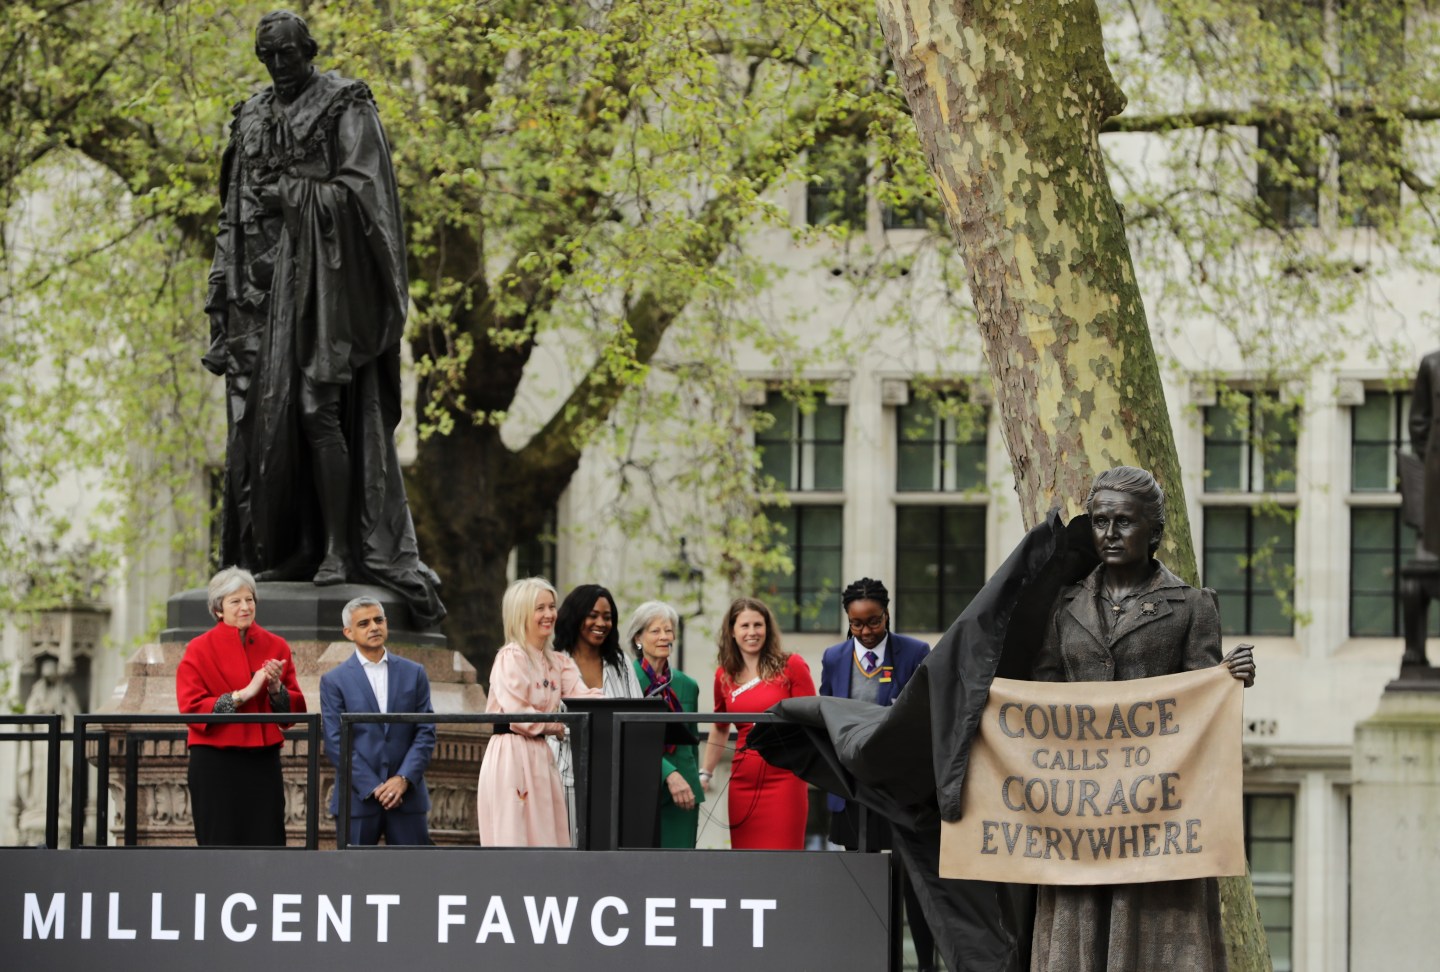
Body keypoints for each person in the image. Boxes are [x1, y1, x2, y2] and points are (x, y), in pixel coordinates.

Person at [204, 10, 442, 625]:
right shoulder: (250, 114)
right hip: (259, 295)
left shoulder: (344, 104)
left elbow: (366, 194)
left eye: (288, 54)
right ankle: (290, 548)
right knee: (261, 427)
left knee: (318, 411)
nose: (279, 66)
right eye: (269, 56)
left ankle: (340, 549)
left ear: (308, 51)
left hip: (322, 288)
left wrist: (297, 197)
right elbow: (230, 214)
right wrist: (221, 290)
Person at [1030, 466, 1256, 972]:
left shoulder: (1192, 607)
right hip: (1079, 813)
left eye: (1124, 523)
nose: (1109, 534)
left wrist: (1228, 678)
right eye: (1101, 521)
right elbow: (1040, 694)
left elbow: (1203, 707)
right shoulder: (1063, 605)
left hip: (1156, 815)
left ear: (1154, 532)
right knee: (1077, 932)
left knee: (1153, 929)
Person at [820, 578, 936, 971]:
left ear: (887, 614)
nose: (866, 632)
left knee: (913, 882)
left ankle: (924, 964)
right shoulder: (834, 658)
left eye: (873, 622)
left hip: (901, 790)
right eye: (857, 624)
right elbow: (826, 716)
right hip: (852, 791)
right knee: (860, 880)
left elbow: (925, 716)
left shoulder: (916, 653)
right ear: (848, 621)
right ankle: (864, 960)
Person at [176, 566, 307, 846]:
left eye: (249, 600)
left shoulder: (277, 645)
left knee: (267, 840)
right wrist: (243, 694)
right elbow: (190, 706)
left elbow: (291, 713)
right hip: (214, 760)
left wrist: (275, 689)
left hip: (262, 760)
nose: (245, 607)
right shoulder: (198, 649)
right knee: (218, 841)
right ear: (218, 609)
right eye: (235, 601)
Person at [477, 577, 602, 846]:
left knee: (548, 833)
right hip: (511, 752)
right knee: (515, 832)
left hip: (540, 754)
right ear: (521, 613)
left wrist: (616, 703)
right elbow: (517, 712)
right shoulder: (511, 656)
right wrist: (552, 725)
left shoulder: (558, 661)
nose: (549, 615)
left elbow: (584, 696)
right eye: (540, 608)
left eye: (552, 607)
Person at [319, 596, 436, 845]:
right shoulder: (334, 681)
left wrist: (402, 779)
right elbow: (335, 741)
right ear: (348, 633)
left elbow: (426, 731)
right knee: (354, 880)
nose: (373, 627)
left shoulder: (414, 673)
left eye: (378, 620)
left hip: (408, 799)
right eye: (364, 623)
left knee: (414, 877)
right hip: (357, 799)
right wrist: (374, 787)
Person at [701, 597, 816, 849]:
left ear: (767, 628)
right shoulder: (724, 675)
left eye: (758, 625)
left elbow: (811, 719)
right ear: (732, 631)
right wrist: (705, 772)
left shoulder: (791, 665)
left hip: (785, 777)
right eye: (744, 626)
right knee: (746, 866)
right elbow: (720, 726)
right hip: (743, 781)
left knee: (784, 860)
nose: (752, 632)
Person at [549, 584, 642, 842]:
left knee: (608, 847)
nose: (601, 622)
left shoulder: (621, 663)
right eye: (593, 615)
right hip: (562, 773)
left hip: (612, 774)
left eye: (607, 616)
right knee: (565, 847)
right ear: (576, 615)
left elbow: (636, 713)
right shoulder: (554, 661)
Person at [626, 600, 704, 848]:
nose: (664, 637)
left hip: (683, 795)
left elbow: (692, 743)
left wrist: (694, 782)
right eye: (655, 631)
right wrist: (668, 774)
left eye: (668, 630)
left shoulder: (687, 685)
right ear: (638, 638)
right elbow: (628, 739)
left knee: (679, 873)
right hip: (639, 786)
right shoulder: (624, 681)